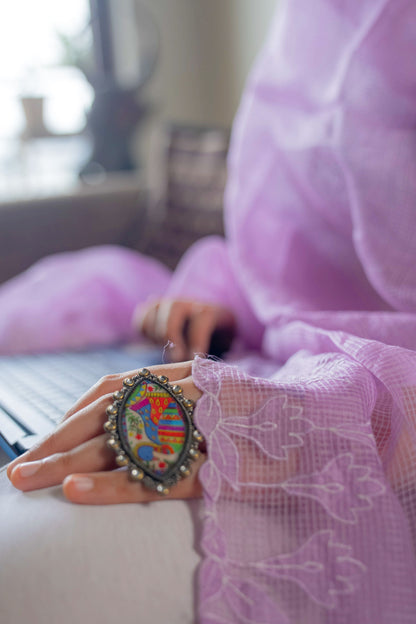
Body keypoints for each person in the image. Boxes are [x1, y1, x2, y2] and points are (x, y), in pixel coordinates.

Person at [1, 0, 416, 622]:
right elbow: (292, 252)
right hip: (262, 356)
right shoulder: (312, 22)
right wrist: (220, 304)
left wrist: (302, 424)